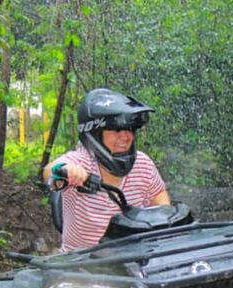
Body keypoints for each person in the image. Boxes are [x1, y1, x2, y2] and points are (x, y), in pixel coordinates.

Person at [43, 88, 170, 251]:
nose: (125, 137)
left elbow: (164, 213)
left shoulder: (143, 163)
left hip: (134, 261)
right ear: (95, 133)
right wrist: (66, 171)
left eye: (129, 129)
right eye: (116, 129)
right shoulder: (81, 161)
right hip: (79, 265)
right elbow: (50, 171)